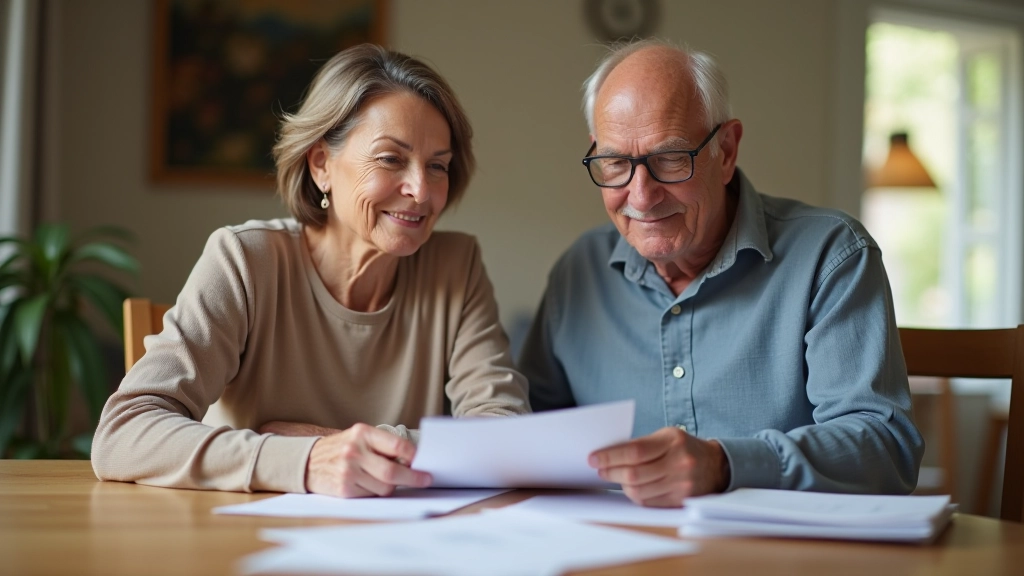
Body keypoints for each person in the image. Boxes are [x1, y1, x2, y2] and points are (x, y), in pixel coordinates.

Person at [92, 44, 530, 498]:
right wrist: (304, 463)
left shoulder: (455, 267)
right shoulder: (245, 259)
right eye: (390, 159)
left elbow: (506, 436)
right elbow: (123, 434)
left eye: (437, 165)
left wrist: (330, 444)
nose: (421, 190)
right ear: (321, 164)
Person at [519, 40, 924, 507]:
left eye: (670, 158)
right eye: (615, 163)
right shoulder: (579, 271)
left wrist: (724, 465)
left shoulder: (830, 257)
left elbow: (885, 449)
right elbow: (528, 426)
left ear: (726, 151)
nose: (642, 196)